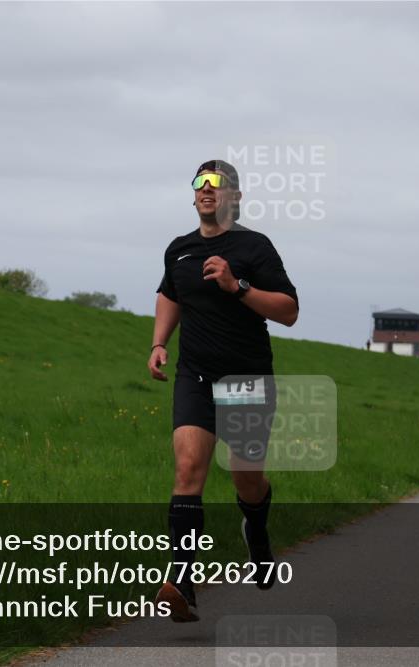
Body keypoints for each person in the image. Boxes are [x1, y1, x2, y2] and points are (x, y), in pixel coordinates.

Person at [148, 160, 299, 621]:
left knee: (245, 476)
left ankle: (256, 529)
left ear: (234, 196)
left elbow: (289, 310)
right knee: (188, 467)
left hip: (247, 378)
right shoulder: (180, 250)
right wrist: (158, 343)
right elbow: (170, 294)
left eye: (217, 183)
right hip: (194, 376)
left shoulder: (255, 246)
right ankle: (183, 582)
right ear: (193, 195)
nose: (207, 189)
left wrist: (238, 286)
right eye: (200, 182)